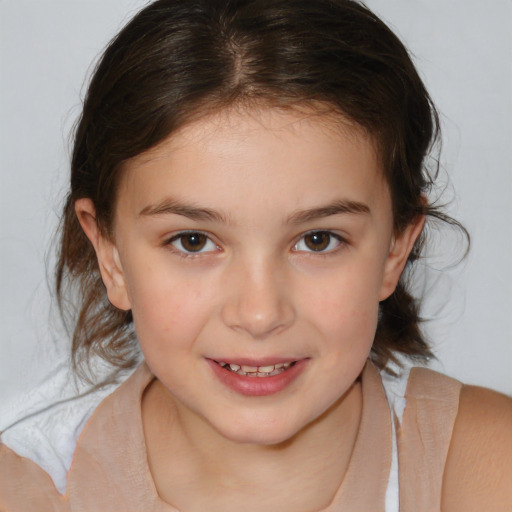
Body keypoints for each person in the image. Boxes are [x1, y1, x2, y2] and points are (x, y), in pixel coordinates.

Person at [1, 0, 511, 510]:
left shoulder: (483, 468)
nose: (260, 314)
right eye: (193, 241)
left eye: (318, 240)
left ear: (394, 250)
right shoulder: (28, 489)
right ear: (109, 255)